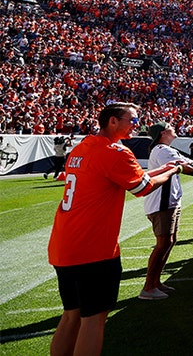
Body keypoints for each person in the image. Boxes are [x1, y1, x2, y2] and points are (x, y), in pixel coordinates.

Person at [48, 102, 184, 356]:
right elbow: (142, 188)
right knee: (94, 319)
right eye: (131, 120)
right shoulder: (115, 151)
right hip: (93, 247)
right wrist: (172, 170)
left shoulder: (84, 146)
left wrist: (163, 170)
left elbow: (126, 176)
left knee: (71, 315)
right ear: (113, 121)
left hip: (64, 244)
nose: (136, 125)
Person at [140, 122, 193, 300]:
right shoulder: (162, 150)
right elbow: (190, 168)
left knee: (169, 242)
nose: (174, 127)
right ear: (163, 132)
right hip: (162, 204)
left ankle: (155, 282)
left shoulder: (164, 148)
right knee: (163, 244)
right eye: (170, 126)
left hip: (169, 203)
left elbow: (190, 163)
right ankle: (148, 287)